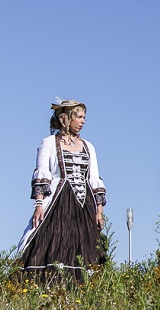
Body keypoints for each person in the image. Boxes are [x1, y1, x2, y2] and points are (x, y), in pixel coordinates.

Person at [17, 99, 107, 282]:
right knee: (55, 241)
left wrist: (99, 211)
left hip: (84, 204)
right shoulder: (49, 143)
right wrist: (39, 205)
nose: (83, 121)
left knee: (84, 246)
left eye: (84, 117)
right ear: (66, 118)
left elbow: (94, 178)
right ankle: (49, 286)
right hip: (58, 200)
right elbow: (42, 173)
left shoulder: (88, 146)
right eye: (79, 117)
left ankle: (81, 289)